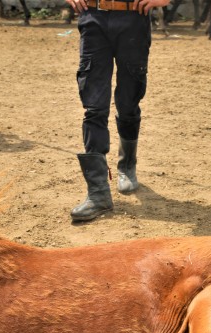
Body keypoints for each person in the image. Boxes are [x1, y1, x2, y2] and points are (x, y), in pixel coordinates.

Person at [65, 0, 170, 222]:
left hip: (133, 19)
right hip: (93, 18)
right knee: (94, 107)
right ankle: (98, 193)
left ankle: (127, 165)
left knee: (128, 102)